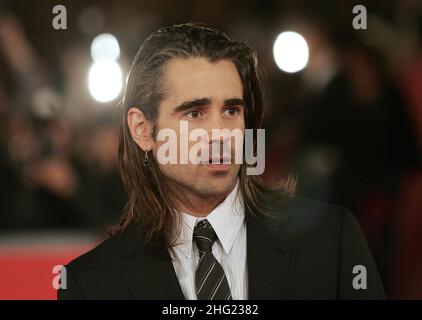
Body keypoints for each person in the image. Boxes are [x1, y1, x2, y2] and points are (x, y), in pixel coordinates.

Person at [58, 23, 385, 300]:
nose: (220, 133)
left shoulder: (333, 242)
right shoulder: (90, 285)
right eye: (195, 113)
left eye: (231, 110)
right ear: (143, 130)